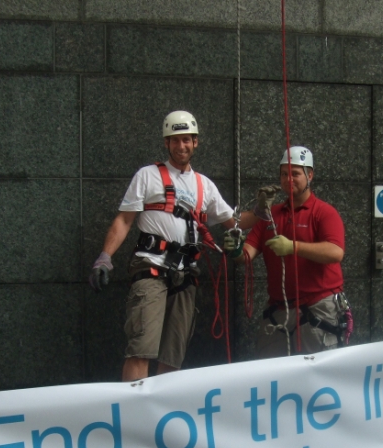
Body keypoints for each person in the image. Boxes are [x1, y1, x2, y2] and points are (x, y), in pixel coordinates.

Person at [89, 111, 246, 381]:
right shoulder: (147, 176)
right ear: (166, 143)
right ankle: (133, 406)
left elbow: (234, 222)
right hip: (151, 267)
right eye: (175, 140)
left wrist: (263, 213)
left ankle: (161, 408)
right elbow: (125, 220)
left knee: (173, 357)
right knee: (141, 349)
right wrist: (105, 256)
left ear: (195, 142)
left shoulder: (204, 186)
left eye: (186, 140)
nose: (181, 146)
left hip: (186, 275)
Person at [225, 146, 350, 358]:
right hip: (279, 309)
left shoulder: (324, 213)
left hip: (318, 306)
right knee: (271, 370)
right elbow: (246, 255)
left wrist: (293, 247)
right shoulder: (269, 215)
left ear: (310, 175)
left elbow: (335, 252)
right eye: (284, 174)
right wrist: (235, 249)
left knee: (318, 370)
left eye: (295, 174)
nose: (288, 179)